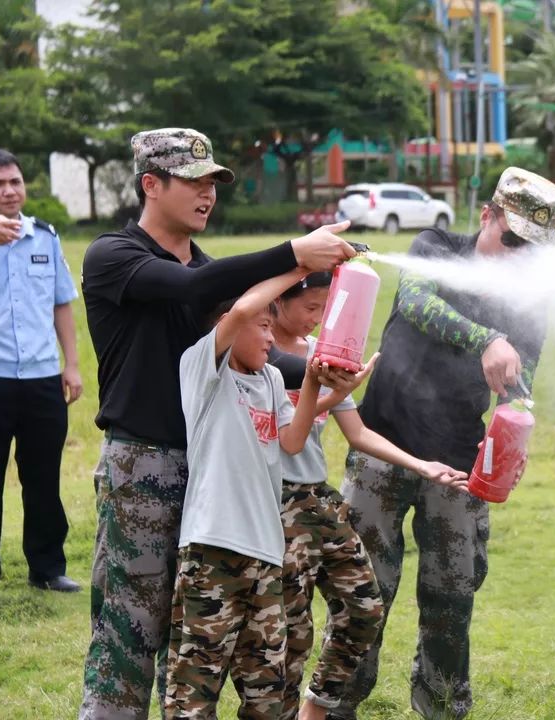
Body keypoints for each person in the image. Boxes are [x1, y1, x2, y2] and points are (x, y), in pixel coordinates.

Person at [79, 127, 356, 720]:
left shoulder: (206, 270)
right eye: (194, 182)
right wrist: (293, 255)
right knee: (130, 633)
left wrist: (321, 371)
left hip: (216, 478)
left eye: (213, 183)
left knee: (189, 643)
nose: (208, 194)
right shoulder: (115, 256)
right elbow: (196, 288)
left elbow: (256, 348)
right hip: (145, 466)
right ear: (150, 184)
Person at [335, 167, 555, 720]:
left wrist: (515, 428)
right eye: (509, 238)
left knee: (451, 599)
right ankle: (335, 704)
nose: (515, 256)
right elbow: (414, 301)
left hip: (459, 462)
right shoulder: (433, 246)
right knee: (363, 593)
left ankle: (442, 707)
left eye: (529, 249)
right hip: (380, 445)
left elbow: (521, 386)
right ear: (486, 216)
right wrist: (487, 338)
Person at [267, 272, 467, 720]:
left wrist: (421, 464)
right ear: (278, 300)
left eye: (326, 309)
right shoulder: (254, 355)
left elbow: (357, 432)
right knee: (291, 628)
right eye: (310, 308)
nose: (316, 319)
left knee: (364, 607)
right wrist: (325, 389)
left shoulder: (321, 354)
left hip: (316, 499)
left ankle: (315, 709)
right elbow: (284, 438)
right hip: (270, 503)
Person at [165, 268, 323, 717]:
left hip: (266, 556)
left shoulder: (271, 380)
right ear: (227, 327)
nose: (272, 338)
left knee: (269, 694)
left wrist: (312, 379)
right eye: (265, 326)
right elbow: (242, 309)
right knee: (193, 693)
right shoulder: (202, 368)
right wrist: (300, 266)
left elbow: (291, 441)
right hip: (212, 552)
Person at [0, 148, 82, 593]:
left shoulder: (44, 238)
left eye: (14, 181)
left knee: (43, 477)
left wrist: (72, 365)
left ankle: (47, 568)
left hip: (43, 378)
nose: (8, 191)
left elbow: (61, 304)